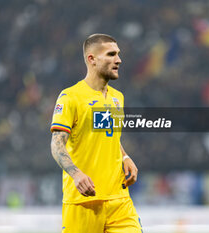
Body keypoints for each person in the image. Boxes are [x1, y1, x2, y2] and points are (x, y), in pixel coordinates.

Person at [50, 34, 143, 233]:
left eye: (118, 54)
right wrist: (76, 174)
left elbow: (109, 135)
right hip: (83, 202)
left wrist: (124, 156)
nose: (118, 60)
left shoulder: (117, 98)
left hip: (119, 200)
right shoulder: (70, 97)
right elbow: (57, 144)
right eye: (111, 54)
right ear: (92, 59)